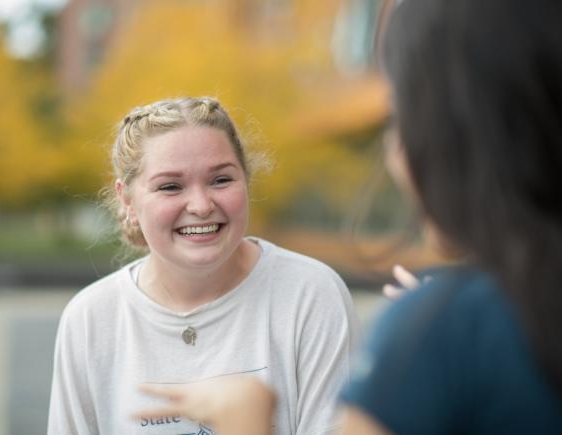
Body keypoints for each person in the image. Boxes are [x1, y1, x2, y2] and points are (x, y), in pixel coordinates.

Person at [135, 0, 562, 433]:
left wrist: (247, 422)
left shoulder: (436, 329)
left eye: (400, 118)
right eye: (170, 185)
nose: (394, 154)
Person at [47, 96, 359, 434]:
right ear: (127, 200)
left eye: (221, 180)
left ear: (246, 180)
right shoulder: (91, 319)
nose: (200, 205)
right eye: (170, 186)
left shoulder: (310, 295)